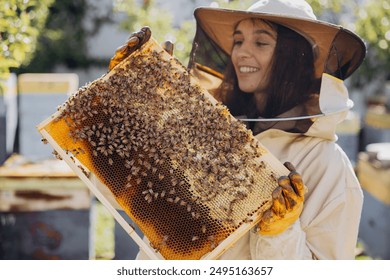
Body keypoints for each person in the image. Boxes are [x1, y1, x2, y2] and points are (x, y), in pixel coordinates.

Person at [108, 0, 366, 259]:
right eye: (238, 41)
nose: (241, 52)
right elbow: (123, 186)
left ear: (293, 57)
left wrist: (279, 232)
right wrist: (130, 102)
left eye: (261, 42)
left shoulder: (329, 166)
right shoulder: (208, 135)